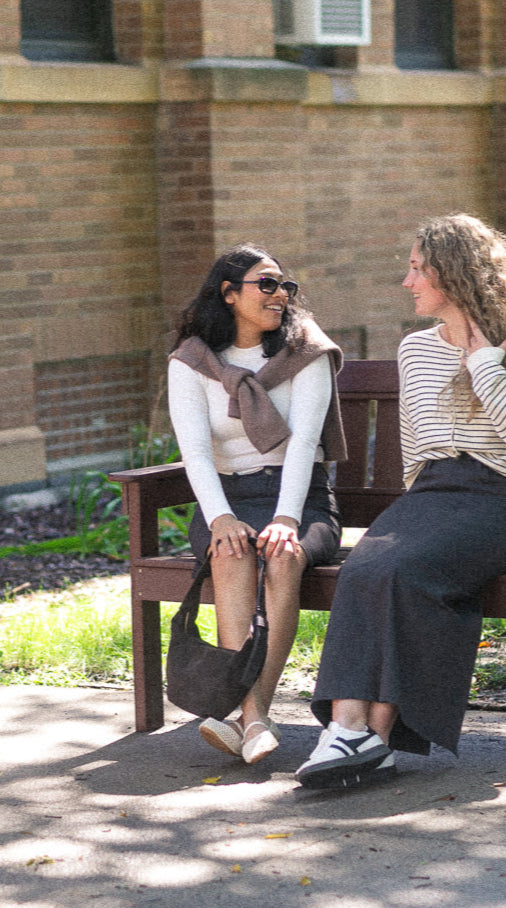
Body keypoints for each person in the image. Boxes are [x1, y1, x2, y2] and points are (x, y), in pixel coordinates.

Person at [296, 214, 506, 790]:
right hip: (433, 494)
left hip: (501, 501)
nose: (407, 281)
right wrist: (421, 511)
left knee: (404, 568)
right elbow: (418, 448)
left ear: (457, 276)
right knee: (367, 567)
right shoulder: (415, 350)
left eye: (419, 269)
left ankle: (372, 739)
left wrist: (486, 367)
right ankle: (348, 731)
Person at [168, 243, 346, 765]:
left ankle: (250, 714)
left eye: (285, 286)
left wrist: (288, 518)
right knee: (230, 552)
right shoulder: (192, 361)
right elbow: (195, 452)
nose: (280, 295)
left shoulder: (306, 351)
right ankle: (254, 720)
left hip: (303, 497)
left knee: (282, 554)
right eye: (265, 284)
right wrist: (220, 516)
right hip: (228, 496)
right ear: (228, 294)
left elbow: (302, 446)